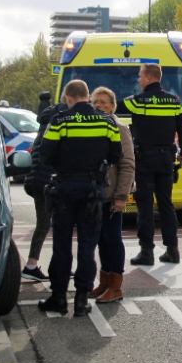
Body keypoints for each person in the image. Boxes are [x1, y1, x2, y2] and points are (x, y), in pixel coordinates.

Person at [36, 80, 123, 317]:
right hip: (93, 190)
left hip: (64, 188)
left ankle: (59, 297)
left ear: (69, 98)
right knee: (88, 245)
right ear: (87, 96)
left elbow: (44, 155)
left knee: (62, 245)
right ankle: (82, 300)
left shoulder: (60, 120)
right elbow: (117, 154)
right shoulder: (106, 122)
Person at [123, 63, 182, 266]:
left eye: (141, 76)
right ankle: (172, 250)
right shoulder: (174, 102)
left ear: (149, 78)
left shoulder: (137, 101)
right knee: (166, 203)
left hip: (145, 160)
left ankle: (147, 251)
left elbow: (118, 105)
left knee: (145, 205)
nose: (139, 80)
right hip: (166, 158)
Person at [89, 87, 136, 303]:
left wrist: (121, 196)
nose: (98, 106)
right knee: (100, 240)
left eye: (102, 102)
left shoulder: (119, 128)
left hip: (112, 196)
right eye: (94, 102)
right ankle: (105, 281)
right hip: (96, 195)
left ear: (113, 106)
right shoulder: (93, 126)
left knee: (113, 239)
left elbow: (127, 165)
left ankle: (116, 287)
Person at [20, 96, 68, 282]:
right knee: (45, 224)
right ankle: (31, 265)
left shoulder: (49, 116)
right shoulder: (60, 118)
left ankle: (55, 265)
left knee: (47, 224)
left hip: (37, 179)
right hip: (47, 181)